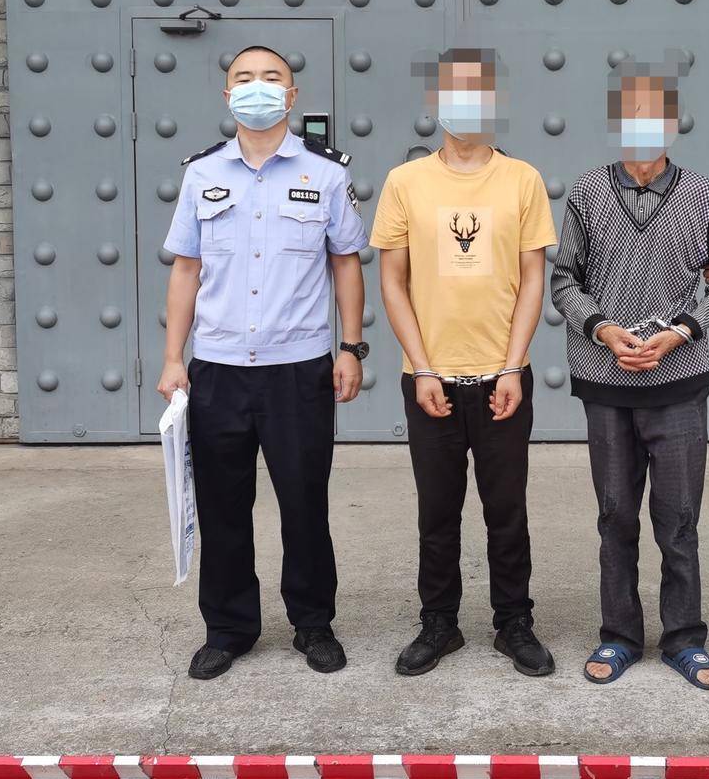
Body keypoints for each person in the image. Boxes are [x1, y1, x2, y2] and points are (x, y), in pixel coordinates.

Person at [157, 45, 369, 680]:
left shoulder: (324, 174)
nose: (258, 87)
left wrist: (350, 347)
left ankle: (313, 623)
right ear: (228, 96)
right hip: (217, 367)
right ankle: (228, 629)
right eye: (244, 79)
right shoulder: (201, 174)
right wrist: (173, 358)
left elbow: (345, 263)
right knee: (223, 505)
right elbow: (186, 269)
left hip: (298, 368)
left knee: (304, 503)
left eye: (271, 77)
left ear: (292, 95)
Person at [551, 58, 709, 691]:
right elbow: (564, 281)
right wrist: (603, 330)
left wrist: (683, 329)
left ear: (673, 123)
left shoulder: (702, 194)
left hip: (678, 382)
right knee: (615, 516)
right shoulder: (586, 193)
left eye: (654, 115)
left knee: (679, 519)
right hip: (606, 383)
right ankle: (620, 635)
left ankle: (685, 639)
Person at [371, 47, 559, 678]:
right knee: (437, 511)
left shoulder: (522, 179)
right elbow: (392, 281)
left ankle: (515, 624)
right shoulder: (405, 182)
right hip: (430, 379)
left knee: (507, 510)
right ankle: (439, 624)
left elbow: (532, 279)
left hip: (503, 377)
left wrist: (512, 364)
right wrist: (421, 366)